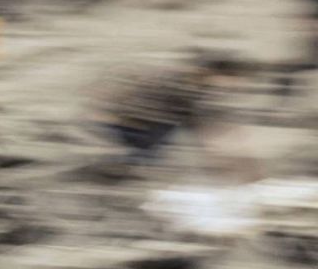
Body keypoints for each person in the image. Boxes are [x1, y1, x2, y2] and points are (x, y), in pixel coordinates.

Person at [90, 52, 258, 182]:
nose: (227, 89)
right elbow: (198, 124)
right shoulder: (182, 84)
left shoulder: (191, 83)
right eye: (229, 81)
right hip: (127, 123)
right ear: (213, 73)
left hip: (130, 121)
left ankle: (113, 174)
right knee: (147, 155)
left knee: (150, 154)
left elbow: (200, 124)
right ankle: (107, 175)